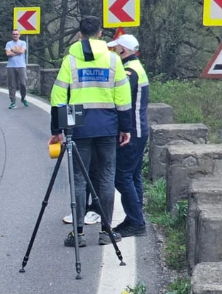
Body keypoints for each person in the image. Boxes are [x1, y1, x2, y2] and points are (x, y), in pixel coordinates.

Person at [49, 16, 132, 247]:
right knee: (106, 178)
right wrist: (125, 127)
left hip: (78, 127)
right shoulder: (114, 60)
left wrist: (57, 129)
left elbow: (58, 96)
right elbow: (123, 98)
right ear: (100, 33)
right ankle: (106, 232)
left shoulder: (70, 60)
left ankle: (78, 234)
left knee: (78, 178)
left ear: (79, 35)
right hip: (107, 126)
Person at [108, 34, 149, 237]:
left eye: (115, 48)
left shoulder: (129, 71)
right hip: (139, 130)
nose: (113, 52)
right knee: (133, 176)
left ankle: (136, 221)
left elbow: (120, 98)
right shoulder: (137, 67)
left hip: (132, 131)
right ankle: (134, 217)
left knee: (121, 176)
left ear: (123, 50)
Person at [5, 30, 28, 108]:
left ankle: (23, 97)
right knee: (12, 85)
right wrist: (17, 52)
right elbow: (8, 53)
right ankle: (13, 101)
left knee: (23, 83)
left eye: (16, 34)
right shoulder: (9, 43)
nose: (15, 35)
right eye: (14, 34)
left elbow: (22, 51)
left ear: (19, 35)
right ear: (12, 35)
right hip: (11, 66)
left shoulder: (23, 43)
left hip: (21, 65)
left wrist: (12, 50)